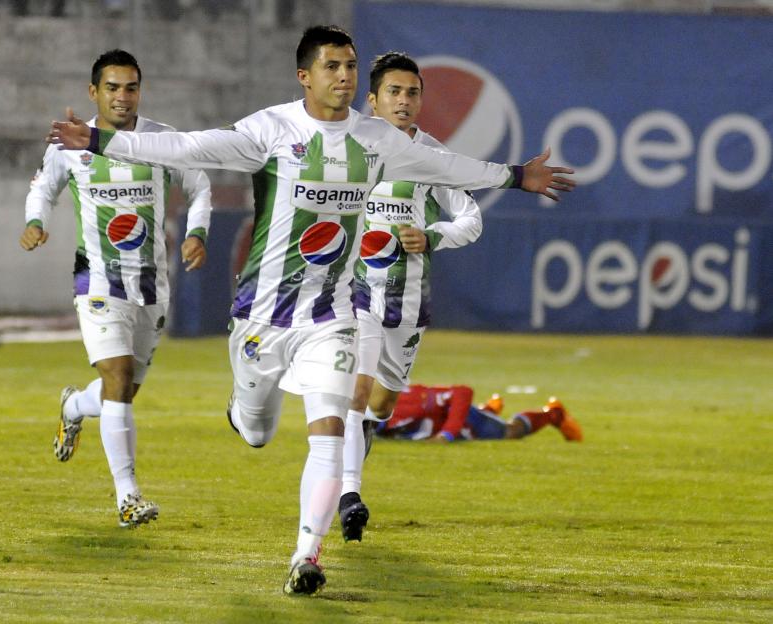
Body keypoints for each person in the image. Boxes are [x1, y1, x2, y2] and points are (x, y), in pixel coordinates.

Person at [46, 25, 574, 596]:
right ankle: (244, 412)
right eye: (332, 67)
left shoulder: (377, 138)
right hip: (262, 318)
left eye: (350, 66)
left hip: (334, 315)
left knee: (329, 427)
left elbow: (448, 169)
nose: (344, 76)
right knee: (255, 431)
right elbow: (189, 147)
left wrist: (516, 177)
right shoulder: (271, 130)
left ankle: (306, 555)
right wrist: (102, 143)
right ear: (305, 75)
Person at [22, 49, 212, 529]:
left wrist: (197, 231)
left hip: (151, 284)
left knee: (121, 389)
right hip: (97, 281)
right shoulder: (71, 144)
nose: (122, 97)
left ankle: (73, 404)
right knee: (119, 378)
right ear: (93, 92)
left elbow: (200, 184)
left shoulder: (162, 140)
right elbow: (43, 187)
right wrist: (35, 221)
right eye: (112, 88)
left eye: (130, 87)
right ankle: (128, 496)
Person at [338, 52, 486, 544]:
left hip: (408, 301)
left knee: (380, 405)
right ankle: (349, 496)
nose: (404, 101)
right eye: (395, 93)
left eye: (413, 93)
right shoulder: (347, 147)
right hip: (352, 294)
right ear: (373, 100)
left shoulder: (432, 159)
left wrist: (434, 235)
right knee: (355, 394)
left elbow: (471, 218)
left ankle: (353, 466)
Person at [376, 385, 583, 442]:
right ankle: (489, 410)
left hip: (465, 421)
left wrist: (446, 434)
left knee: (512, 432)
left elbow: (462, 392)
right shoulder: (373, 420)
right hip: (449, 424)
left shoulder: (409, 400)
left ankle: (554, 414)